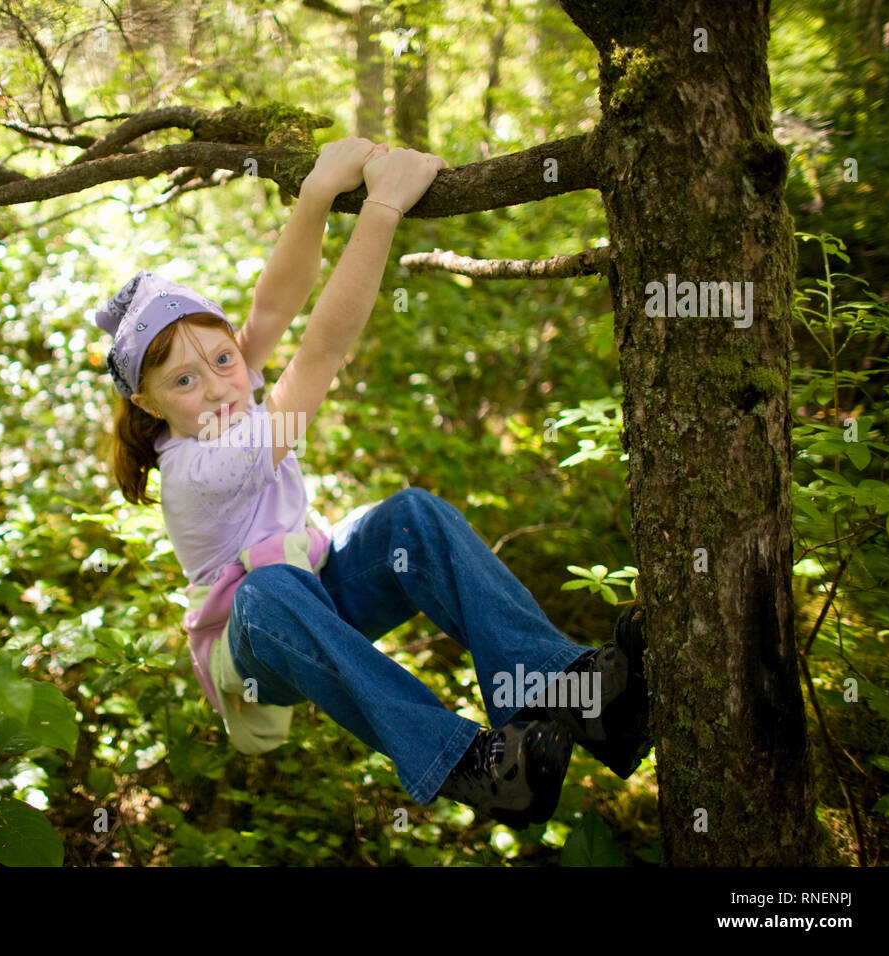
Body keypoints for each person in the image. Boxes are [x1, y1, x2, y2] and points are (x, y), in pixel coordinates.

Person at [93, 137, 652, 829]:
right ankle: (472, 767)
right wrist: (381, 206)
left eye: (222, 357)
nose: (217, 386)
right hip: (263, 644)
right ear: (149, 404)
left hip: (320, 588)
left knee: (411, 517)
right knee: (270, 592)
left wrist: (318, 193)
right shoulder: (201, 465)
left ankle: (569, 695)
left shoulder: (228, 387)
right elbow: (320, 350)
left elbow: (274, 305)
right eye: (184, 379)